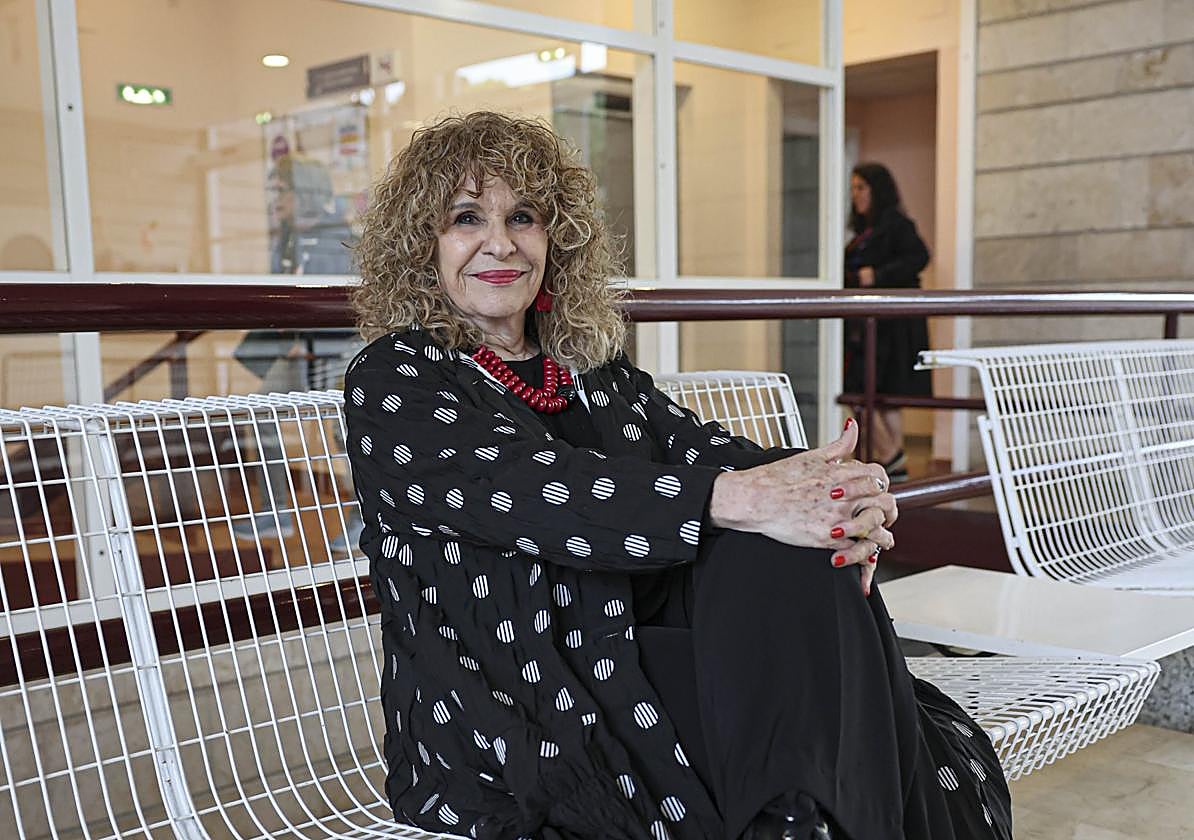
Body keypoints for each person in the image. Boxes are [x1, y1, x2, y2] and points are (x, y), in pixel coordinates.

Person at [344, 112, 1011, 840]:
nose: (500, 243)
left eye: (523, 217)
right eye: (467, 218)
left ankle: (795, 823)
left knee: (790, 544)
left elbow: (705, 452)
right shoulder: (395, 378)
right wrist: (749, 498)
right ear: (423, 244)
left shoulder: (590, 371)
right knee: (803, 636)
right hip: (513, 691)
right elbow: (536, 488)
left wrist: (837, 495)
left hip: (637, 651)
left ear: (556, 237)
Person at [230, 154, 363, 551]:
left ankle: (366, 517)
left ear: (305, 192)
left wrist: (306, 338)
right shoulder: (287, 238)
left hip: (338, 349)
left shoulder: (338, 236)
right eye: (273, 190)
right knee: (263, 413)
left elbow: (351, 305)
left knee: (345, 429)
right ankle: (274, 512)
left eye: (281, 190)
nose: (275, 198)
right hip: (297, 349)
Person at [843, 163, 932, 483]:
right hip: (868, 325)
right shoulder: (861, 232)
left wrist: (877, 275)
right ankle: (894, 459)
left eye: (861, 187)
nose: (855, 195)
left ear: (877, 189)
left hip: (891, 327)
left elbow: (920, 257)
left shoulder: (897, 225)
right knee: (867, 395)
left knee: (880, 395)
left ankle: (892, 457)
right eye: (853, 188)